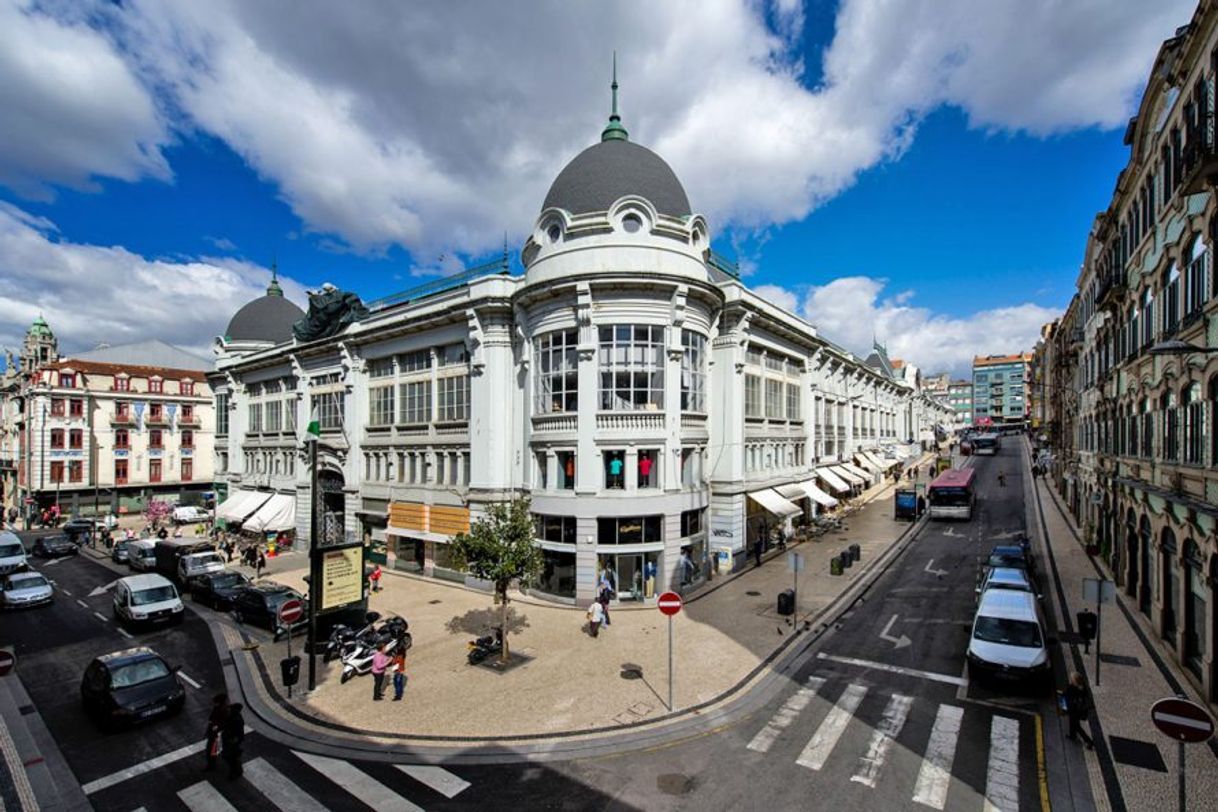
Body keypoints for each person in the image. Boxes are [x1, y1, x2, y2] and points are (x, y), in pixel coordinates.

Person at [1064, 672, 1095, 749]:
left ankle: (1089, 741)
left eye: (1072, 679)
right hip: (1078, 711)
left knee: (1077, 726)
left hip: (1074, 710)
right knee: (1072, 722)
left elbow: (1067, 696)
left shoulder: (1073, 688)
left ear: (1075, 681)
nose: (1070, 680)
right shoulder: (1082, 688)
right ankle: (1072, 735)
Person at [203, 693, 229, 771]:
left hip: (217, 734)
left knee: (211, 750)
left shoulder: (223, 710)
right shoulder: (218, 708)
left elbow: (224, 722)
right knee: (212, 750)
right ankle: (211, 764)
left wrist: (216, 727)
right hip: (214, 733)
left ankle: (211, 765)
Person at [220, 703, 245, 779]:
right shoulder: (233, 717)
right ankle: (236, 771)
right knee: (231, 757)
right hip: (229, 739)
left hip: (232, 741)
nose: (229, 710)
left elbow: (238, 733)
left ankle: (235, 772)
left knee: (232, 758)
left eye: (231, 709)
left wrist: (233, 741)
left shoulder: (236, 719)